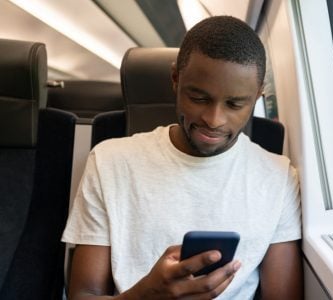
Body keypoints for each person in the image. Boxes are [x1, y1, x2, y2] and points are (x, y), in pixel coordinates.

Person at [62, 16, 302, 299]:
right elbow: (83, 294)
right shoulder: (109, 162)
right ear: (175, 79)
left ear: (258, 95)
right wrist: (147, 294)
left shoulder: (278, 177)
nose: (214, 120)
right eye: (199, 98)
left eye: (235, 104)